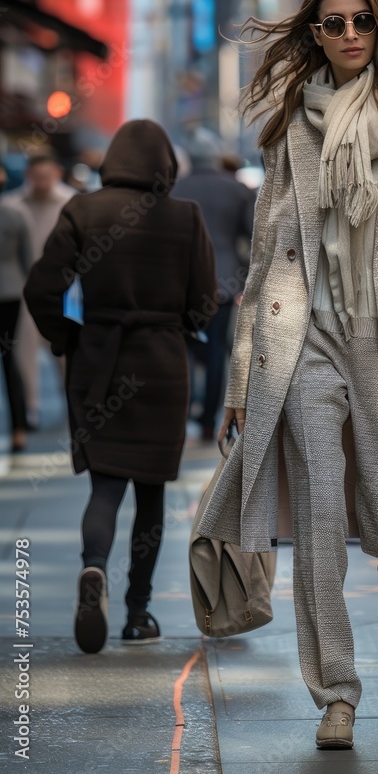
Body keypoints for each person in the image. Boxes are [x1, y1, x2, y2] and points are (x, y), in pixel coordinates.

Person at [197, 0, 378, 750]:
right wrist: (243, 376)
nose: (350, 34)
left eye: (360, 20)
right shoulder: (295, 121)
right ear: (314, 33)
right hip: (307, 346)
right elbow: (266, 259)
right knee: (320, 522)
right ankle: (336, 693)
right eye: (333, 23)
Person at [23, 121, 217, 654]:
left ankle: (92, 568)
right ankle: (137, 613)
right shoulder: (184, 216)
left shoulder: (83, 210)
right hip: (160, 366)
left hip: (98, 361)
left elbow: (42, 287)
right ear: (166, 165)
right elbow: (203, 302)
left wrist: (70, 339)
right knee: (151, 496)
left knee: (105, 487)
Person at [173, 130, 254, 439]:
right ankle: (209, 420)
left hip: (183, 281)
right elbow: (255, 238)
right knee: (217, 350)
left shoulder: (175, 189)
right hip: (223, 281)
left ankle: (183, 412)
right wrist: (245, 273)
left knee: (184, 351)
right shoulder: (237, 190)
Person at [5, 152, 75, 428]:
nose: (42, 183)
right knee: (24, 350)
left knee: (66, 351)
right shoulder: (12, 206)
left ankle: (72, 403)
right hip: (24, 289)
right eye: (37, 178)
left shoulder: (72, 202)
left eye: (47, 177)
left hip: (63, 289)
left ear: (57, 173)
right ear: (28, 176)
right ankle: (29, 407)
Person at [0, 164, 32, 452]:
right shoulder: (14, 215)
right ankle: (18, 426)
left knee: (11, 362)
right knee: (10, 361)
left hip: (9, 293)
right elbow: (27, 260)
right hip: (11, 293)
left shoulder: (13, 215)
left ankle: (20, 425)